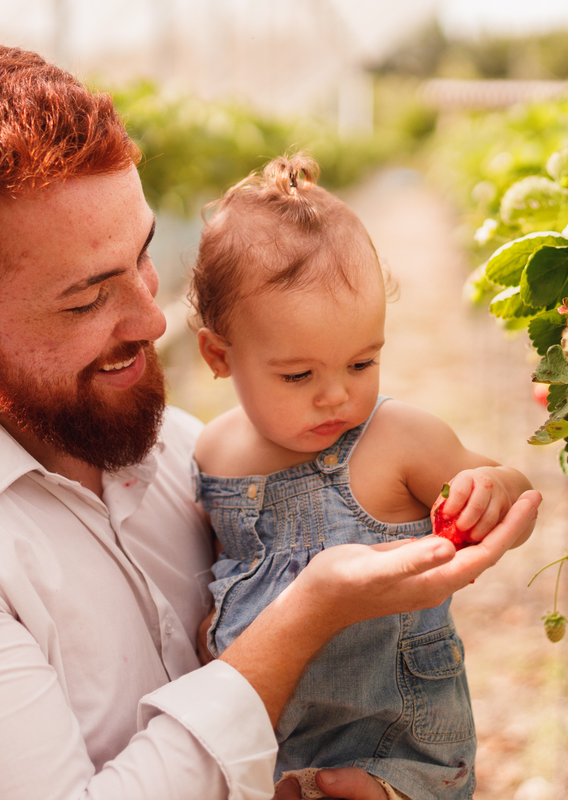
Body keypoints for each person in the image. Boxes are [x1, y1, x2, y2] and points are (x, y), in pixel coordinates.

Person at [0, 45, 542, 800]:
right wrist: (304, 617)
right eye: (86, 299)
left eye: (142, 256)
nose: (152, 318)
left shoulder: (177, 451)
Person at [189, 154, 535, 799]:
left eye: (362, 363)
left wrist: (493, 490)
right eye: (298, 375)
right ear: (218, 355)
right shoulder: (213, 451)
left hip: (396, 744)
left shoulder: (397, 437)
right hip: (263, 739)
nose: (336, 396)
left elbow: (509, 485)